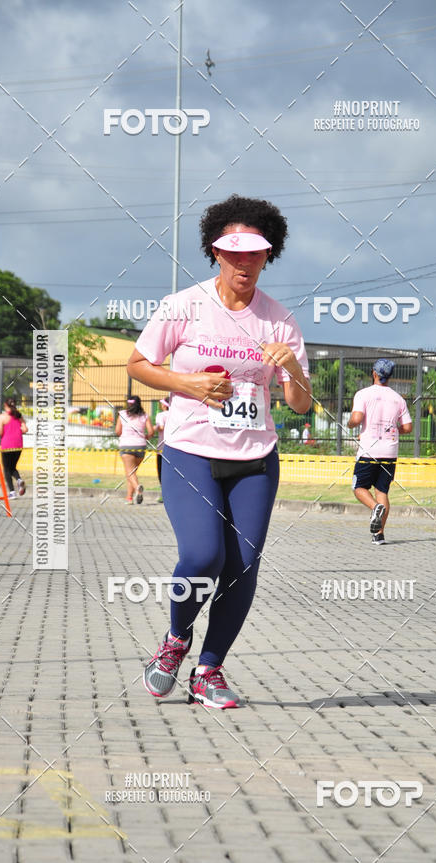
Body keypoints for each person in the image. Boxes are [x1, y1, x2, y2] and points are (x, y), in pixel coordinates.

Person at [127, 194, 311, 709]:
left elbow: (298, 403)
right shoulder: (183, 306)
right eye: (234, 253)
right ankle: (175, 641)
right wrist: (185, 383)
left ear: (267, 257)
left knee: (244, 564)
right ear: (216, 253)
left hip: (256, 457)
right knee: (204, 554)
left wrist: (291, 368)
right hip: (190, 451)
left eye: (255, 253)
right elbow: (138, 364)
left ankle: (209, 670)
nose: (244, 262)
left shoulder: (278, 321)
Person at [348, 359, 412, 545]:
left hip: (370, 451)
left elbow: (357, 417)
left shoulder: (363, 394)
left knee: (358, 488)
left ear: (374, 373)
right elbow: (407, 427)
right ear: (389, 376)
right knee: (382, 490)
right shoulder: (398, 398)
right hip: (390, 451)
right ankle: (379, 535)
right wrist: (392, 430)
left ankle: (375, 508)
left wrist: (350, 423)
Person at [115, 396, 153, 505]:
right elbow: (150, 432)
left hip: (127, 445)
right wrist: (144, 437)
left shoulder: (122, 414)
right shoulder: (144, 416)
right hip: (140, 446)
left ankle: (137, 488)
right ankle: (129, 498)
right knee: (132, 473)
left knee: (130, 472)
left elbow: (118, 431)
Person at [0, 398, 28, 499]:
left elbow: (0, 432)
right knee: (12, 467)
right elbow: (25, 429)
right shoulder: (18, 415)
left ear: (5, 405)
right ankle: (19, 480)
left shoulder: (2, 417)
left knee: (6, 469)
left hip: (7, 446)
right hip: (18, 445)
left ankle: (12, 492)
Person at [154, 398, 170, 502]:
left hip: (162, 447)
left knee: (161, 472)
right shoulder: (176, 414)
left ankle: (163, 495)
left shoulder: (161, 415)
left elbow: (161, 427)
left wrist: (153, 428)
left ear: (164, 406)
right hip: (176, 448)